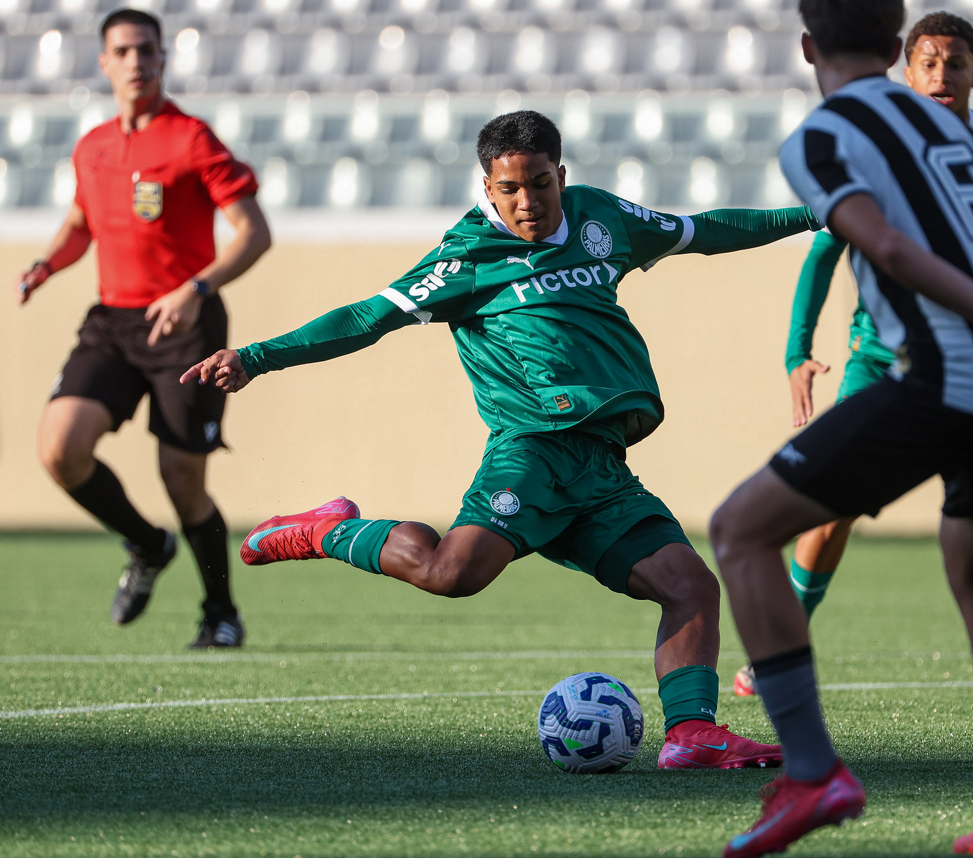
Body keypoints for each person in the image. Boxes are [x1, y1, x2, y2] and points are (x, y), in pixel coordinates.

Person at [183, 110, 819, 768]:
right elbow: (366, 317)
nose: (527, 202)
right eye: (509, 188)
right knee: (451, 574)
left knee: (691, 586)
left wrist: (812, 216)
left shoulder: (601, 218)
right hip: (532, 450)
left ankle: (689, 735)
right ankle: (327, 531)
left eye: (540, 184)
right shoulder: (467, 256)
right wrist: (256, 357)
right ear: (487, 187)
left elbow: (704, 230)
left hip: (601, 465)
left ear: (560, 175)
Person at [709, 0, 973, 856]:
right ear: (898, 49)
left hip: (953, 373)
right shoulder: (968, 134)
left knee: (740, 531)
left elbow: (883, 246)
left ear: (807, 47)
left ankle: (811, 772)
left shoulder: (822, 137)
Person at [734, 11, 973, 698]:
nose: (941, 75)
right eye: (928, 62)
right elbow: (823, 254)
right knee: (829, 505)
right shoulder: (874, 150)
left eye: (955, 62)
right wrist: (796, 352)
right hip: (881, 359)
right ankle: (783, 644)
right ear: (907, 70)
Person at [17, 8, 271, 648]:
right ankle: (147, 544)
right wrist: (47, 264)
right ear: (105, 62)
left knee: (182, 479)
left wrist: (196, 288)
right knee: (59, 447)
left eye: (147, 50)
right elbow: (81, 224)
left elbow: (254, 232)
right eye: (124, 51)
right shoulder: (93, 146)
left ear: (163, 58)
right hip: (113, 321)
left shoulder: (191, 139)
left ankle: (221, 614)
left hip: (186, 324)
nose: (137, 61)